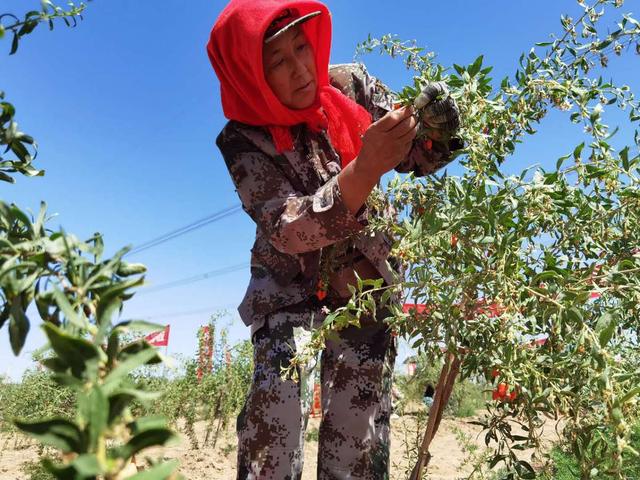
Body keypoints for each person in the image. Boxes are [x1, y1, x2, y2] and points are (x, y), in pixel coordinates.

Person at [206, 1, 461, 478]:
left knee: (358, 448)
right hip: (286, 297)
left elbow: (417, 158)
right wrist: (365, 167)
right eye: (277, 61)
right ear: (249, 73)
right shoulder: (242, 139)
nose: (300, 69)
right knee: (271, 440)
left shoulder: (352, 87)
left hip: (365, 291)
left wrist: (437, 130)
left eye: (301, 47)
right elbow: (287, 227)